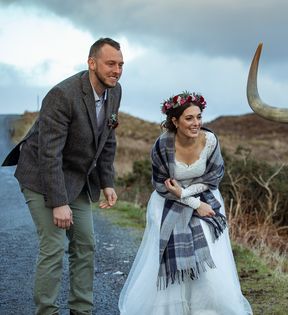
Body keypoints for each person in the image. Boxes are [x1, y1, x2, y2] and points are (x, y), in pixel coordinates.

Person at [2, 37, 124, 315]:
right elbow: (49, 153)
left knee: (86, 244)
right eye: (110, 64)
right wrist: (58, 202)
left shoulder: (115, 92)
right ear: (92, 63)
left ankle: (81, 310)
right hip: (41, 175)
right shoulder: (62, 95)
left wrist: (107, 182)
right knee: (54, 245)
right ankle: (47, 311)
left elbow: (107, 140)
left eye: (120, 64)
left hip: (76, 178)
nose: (116, 70)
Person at [119, 92, 252, 314]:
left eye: (199, 117)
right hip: (168, 199)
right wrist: (191, 202)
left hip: (204, 194)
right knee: (169, 231)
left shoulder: (210, 141)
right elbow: (162, 185)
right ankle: (169, 306)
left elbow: (214, 177)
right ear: (175, 121)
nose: (196, 123)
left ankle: (206, 307)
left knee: (204, 231)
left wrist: (188, 194)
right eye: (189, 118)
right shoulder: (162, 145)